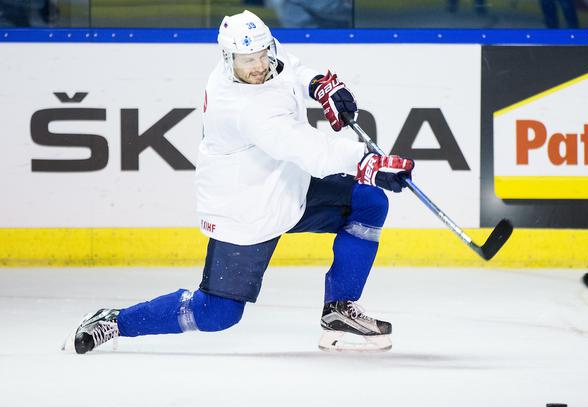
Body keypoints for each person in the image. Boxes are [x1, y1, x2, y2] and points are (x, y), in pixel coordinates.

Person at [62, 10, 414, 354]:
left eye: (262, 55)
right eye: (248, 61)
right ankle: (116, 321)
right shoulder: (241, 107)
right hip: (245, 210)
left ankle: (338, 311)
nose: (258, 66)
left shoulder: (265, 57)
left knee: (369, 202)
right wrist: (366, 161)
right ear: (228, 58)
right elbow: (306, 148)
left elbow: (289, 67)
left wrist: (318, 84)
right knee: (217, 314)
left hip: (288, 189)